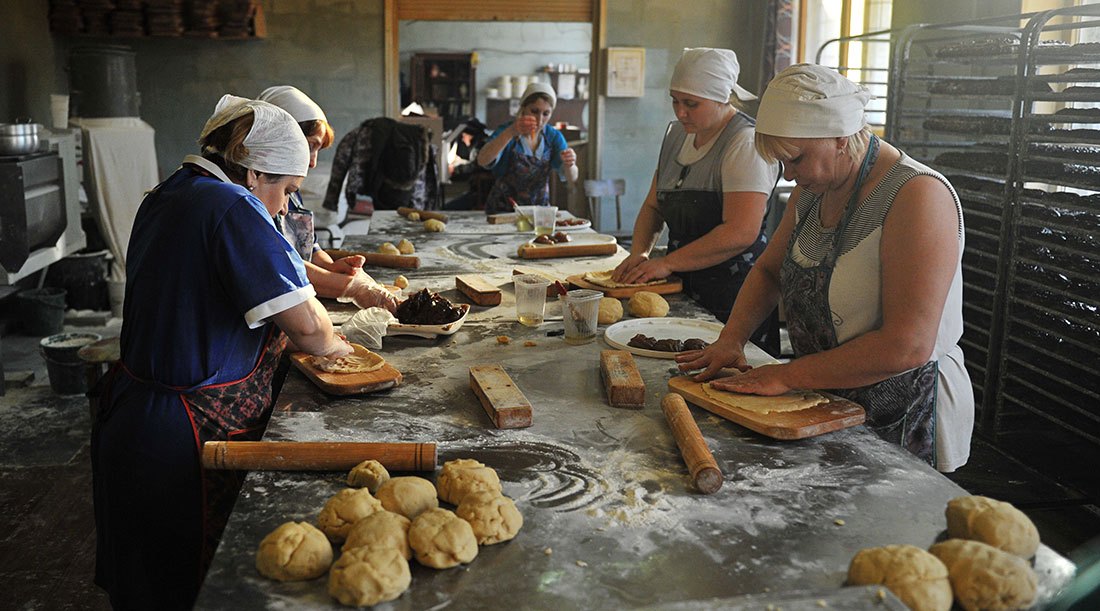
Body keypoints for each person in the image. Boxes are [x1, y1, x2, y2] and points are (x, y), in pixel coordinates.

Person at [91, 95, 355, 609]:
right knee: (191, 584)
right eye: (286, 189)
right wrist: (343, 343)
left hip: (135, 418)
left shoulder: (170, 192)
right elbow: (309, 330)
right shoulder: (230, 206)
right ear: (254, 172)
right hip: (182, 433)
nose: (284, 206)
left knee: (148, 583)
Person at [677, 64, 974, 472]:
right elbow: (768, 272)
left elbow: (908, 344)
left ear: (840, 137)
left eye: (796, 159)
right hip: (824, 396)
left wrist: (787, 376)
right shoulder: (816, 188)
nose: (790, 175)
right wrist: (733, 338)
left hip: (905, 407)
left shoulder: (917, 195)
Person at [611, 48, 781, 354]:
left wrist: (666, 263)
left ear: (722, 98)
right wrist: (640, 254)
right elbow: (654, 206)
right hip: (684, 287)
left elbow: (741, 231)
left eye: (691, 104)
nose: (680, 112)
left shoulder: (744, 143)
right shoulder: (677, 134)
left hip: (735, 295)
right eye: (675, 101)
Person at [257, 85, 397, 312]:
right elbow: (280, 263)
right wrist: (353, 288)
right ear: (283, 136)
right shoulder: (254, 192)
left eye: (318, 150)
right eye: (310, 146)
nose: (312, 162)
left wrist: (333, 268)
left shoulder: (290, 191)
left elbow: (308, 248)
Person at [477, 81, 577, 214]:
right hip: (503, 211)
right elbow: (482, 160)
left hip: (539, 213)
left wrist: (570, 164)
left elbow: (572, 178)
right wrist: (511, 132)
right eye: (534, 111)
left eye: (545, 113)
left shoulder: (553, 137)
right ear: (523, 108)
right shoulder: (507, 131)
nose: (539, 119)